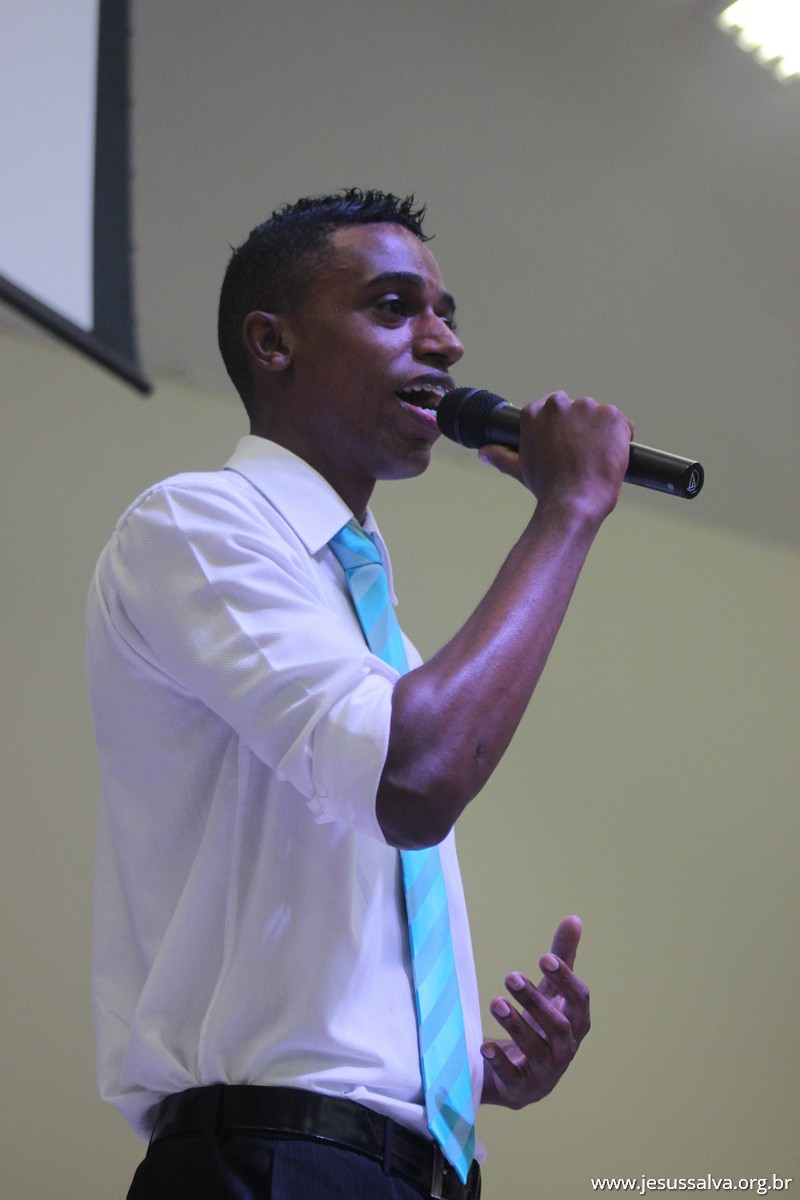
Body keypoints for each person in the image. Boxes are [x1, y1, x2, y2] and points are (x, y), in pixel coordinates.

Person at [87, 189, 633, 1199]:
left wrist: (457, 1075)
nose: (446, 344)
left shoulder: (372, 636)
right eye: (393, 307)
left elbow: (321, 933)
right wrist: (567, 514)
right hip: (269, 1162)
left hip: (410, 1169)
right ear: (273, 343)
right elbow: (413, 780)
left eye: (446, 315)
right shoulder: (196, 527)